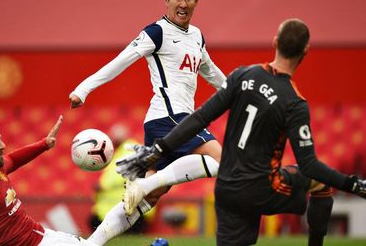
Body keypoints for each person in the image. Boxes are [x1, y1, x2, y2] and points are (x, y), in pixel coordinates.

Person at [117, 19, 366, 246]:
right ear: (305, 52)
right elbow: (309, 165)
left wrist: (157, 150)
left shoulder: (241, 76)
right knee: (320, 184)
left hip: (227, 189)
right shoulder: (294, 102)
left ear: (275, 42)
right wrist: (352, 184)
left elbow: (199, 118)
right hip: (262, 187)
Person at [70, 0, 226, 245]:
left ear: (196, 1)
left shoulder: (197, 37)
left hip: (169, 121)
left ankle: (91, 243)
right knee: (221, 160)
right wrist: (83, 89)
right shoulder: (157, 32)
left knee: (147, 200)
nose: (183, 4)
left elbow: (211, 72)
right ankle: (145, 182)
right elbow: (122, 59)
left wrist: (239, 94)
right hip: (170, 117)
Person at [0, 116, 96, 246]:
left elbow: (13, 159)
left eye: (0, 139)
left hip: (40, 236)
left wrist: (44, 144)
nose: (2, 145)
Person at [88, 123, 153, 234]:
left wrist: (103, 186)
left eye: (112, 136)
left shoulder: (129, 149)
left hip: (127, 209)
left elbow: (123, 173)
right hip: (118, 209)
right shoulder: (120, 152)